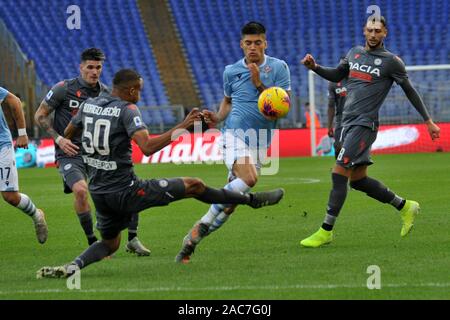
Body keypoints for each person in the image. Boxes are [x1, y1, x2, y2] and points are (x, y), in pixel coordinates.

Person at [36, 69, 284, 278]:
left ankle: (73, 266)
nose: (140, 94)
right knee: (195, 185)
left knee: (110, 243)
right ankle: (251, 200)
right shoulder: (128, 109)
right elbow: (148, 148)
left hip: (99, 192)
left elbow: (68, 132)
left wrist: (94, 154)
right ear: (132, 90)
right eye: (139, 90)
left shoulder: (88, 105)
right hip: (127, 191)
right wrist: (183, 127)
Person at [300, 16, 440, 247]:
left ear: (385, 33)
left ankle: (326, 230)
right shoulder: (354, 53)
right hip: (346, 123)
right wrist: (315, 67)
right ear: (364, 32)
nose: (373, 34)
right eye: (369, 30)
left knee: (339, 172)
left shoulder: (391, 62)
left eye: (378, 30)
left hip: (364, 125)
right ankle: (405, 206)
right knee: (358, 180)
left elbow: (410, 91)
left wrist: (428, 120)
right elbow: (337, 75)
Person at [174, 21, 291, 264]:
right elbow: (228, 101)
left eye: (257, 43)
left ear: (265, 43)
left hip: (261, 141)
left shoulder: (279, 68)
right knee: (249, 179)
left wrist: (259, 83)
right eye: (248, 43)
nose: (252, 47)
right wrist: (217, 116)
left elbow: (282, 110)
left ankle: (193, 239)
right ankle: (204, 223)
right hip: (233, 135)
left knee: (229, 205)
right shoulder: (231, 71)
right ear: (241, 44)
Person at [34, 48, 150, 255]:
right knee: (80, 191)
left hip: (98, 152)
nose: (94, 72)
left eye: (98, 67)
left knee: (129, 186)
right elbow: (40, 115)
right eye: (90, 67)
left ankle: (132, 239)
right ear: (81, 67)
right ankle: (92, 243)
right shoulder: (63, 88)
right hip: (69, 151)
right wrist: (59, 139)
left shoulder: (106, 93)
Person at [0, 87, 48, 243]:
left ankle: (36, 215)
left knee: (10, 197)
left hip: (2, 146)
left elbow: (14, 100)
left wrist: (22, 133)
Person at [327, 57, 348, 158]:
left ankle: (350, 171)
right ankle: (339, 170)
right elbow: (331, 105)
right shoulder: (333, 83)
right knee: (338, 146)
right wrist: (329, 125)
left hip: (356, 117)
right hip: (340, 118)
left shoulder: (355, 80)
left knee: (351, 147)